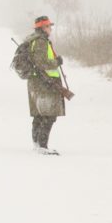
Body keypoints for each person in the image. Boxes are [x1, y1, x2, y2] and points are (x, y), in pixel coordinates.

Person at [24, 15, 66, 155]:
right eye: (48, 26)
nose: (50, 29)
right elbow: (41, 62)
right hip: (44, 82)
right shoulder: (41, 41)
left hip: (36, 82)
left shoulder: (32, 40)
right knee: (48, 115)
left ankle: (37, 144)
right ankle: (42, 146)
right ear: (42, 27)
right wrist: (57, 62)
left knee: (39, 115)